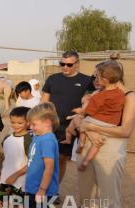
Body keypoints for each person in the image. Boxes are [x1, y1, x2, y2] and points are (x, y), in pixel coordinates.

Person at [77, 59, 135, 208]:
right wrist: (85, 127)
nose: (94, 79)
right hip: (87, 147)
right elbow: (79, 118)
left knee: (110, 197)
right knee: (87, 192)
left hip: (111, 150)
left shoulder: (129, 96)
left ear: (108, 76)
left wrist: (93, 128)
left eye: (97, 75)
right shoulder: (97, 94)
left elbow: (125, 130)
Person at [0, 102, 60, 208]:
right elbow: (33, 163)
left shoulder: (47, 140)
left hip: (40, 191)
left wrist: (42, 189)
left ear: (47, 121)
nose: (31, 127)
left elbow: (49, 167)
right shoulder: (39, 138)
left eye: (34, 124)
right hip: (33, 188)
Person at [41, 50, 95, 199]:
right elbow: (43, 102)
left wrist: (81, 114)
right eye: (62, 64)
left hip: (73, 126)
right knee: (48, 158)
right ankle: (46, 189)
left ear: (77, 64)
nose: (65, 67)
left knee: (62, 159)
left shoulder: (87, 81)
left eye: (69, 64)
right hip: (51, 125)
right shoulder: (52, 79)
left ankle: (53, 191)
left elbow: (92, 102)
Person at [62, 61, 125, 171]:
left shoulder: (99, 96)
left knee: (80, 121)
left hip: (96, 121)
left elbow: (88, 112)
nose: (95, 79)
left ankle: (81, 142)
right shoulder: (120, 93)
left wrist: (80, 111)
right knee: (96, 144)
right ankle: (87, 161)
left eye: (97, 77)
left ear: (104, 80)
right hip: (111, 124)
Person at [0, 106, 32, 208]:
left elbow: (31, 163)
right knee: (3, 203)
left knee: (16, 205)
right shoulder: (8, 138)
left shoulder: (29, 140)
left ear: (28, 122)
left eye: (20, 123)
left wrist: (15, 175)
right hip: (5, 178)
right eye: (13, 122)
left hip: (20, 180)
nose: (16, 125)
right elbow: (1, 156)